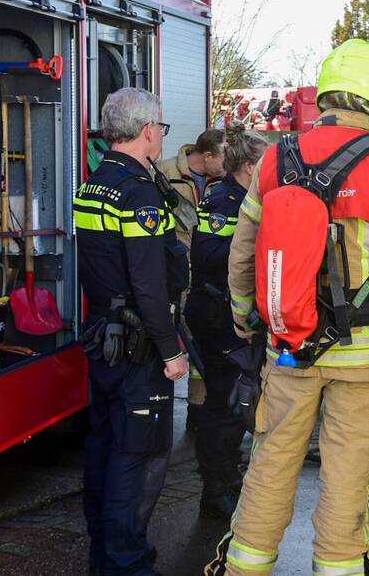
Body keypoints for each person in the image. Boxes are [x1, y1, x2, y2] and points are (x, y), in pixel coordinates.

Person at [205, 39, 369, 576]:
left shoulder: (274, 159)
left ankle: (242, 567)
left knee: (270, 464)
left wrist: (246, 315)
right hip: (368, 359)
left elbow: (243, 251)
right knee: (347, 477)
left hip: (290, 346)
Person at [74, 87, 190, 576]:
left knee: (104, 443)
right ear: (148, 131)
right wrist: (171, 351)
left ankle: (103, 552)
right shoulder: (139, 191)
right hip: (139, 343)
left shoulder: (94, 183)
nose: (160, 136)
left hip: (104, 335)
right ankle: (126, 564)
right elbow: (148, 281)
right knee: (135, 455)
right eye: (160, 129)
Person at [185, 123, 269, 519]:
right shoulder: (224, 201)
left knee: (236, 402)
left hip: (233, 316)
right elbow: (206, 257)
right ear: (250, 167)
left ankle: (226, 477)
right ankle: (215, 490)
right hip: (216, 317)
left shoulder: (250, 198)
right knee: (225, 403)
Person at [159, 129, 226, 431]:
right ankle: (158, 410)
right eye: (224, 156)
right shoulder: (162, 174)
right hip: (171, 279)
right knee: (167, 348)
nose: (230, 162)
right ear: (207, 155)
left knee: (203, 346)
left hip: (208, 282)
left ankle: (199, 414)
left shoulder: (224, 183)